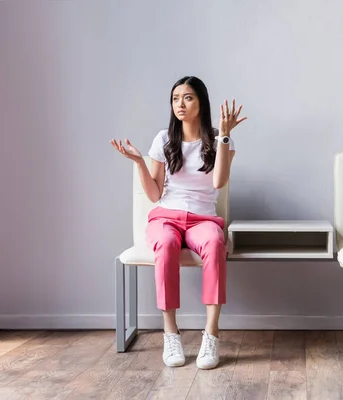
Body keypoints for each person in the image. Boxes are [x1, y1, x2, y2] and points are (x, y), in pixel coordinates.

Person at [110, 76, 247, 369]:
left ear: (201, 102)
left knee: (214, 241)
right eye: (175, 98)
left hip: (202, 219)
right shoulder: (164, 140)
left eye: (187, 98)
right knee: (168, 244)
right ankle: (170, 332)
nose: (179, 104)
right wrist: (139, 162)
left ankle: (211, 334)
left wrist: (223, 135)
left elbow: (219, 181)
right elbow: (154, 194)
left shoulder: (220, 139)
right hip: (167, 218)